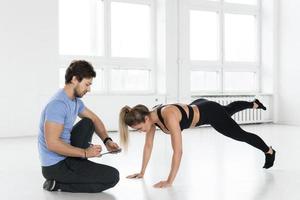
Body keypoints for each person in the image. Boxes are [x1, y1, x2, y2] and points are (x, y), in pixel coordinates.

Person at [119, 98, 276, 188]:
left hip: (209, 113)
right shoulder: (151, 118)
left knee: (241, 135)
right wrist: (142, 172)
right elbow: (148, 146)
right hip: (199, 106)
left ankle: (269, 151)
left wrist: (169, 181)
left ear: (146, 118)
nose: (141, 132)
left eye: (139, 128)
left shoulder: (168, 116)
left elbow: (178, 151)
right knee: (227, 110)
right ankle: (253, 104)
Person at [38, 60, 120, 193]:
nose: (89, 89)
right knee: (112, 177)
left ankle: (78, 163)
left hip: (68, 157)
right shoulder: (58, 104)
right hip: (56, 166)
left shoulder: (75, 101)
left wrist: (107, 141)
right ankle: (57, 184)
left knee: (88, 122)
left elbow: (95, 119)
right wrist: (85, 153)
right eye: (87, 84)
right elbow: (52, 144)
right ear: (75, 79)